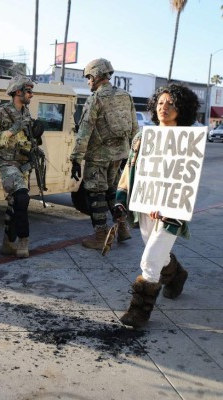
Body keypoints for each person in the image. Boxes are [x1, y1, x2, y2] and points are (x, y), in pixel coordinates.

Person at [118, 83, 199, 328]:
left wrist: (165, 205)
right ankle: (176, 274)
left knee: (150, 260)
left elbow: (186, 177)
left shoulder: (186, 140)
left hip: (171, 211)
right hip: (144, 205)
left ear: (181, 108)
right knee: (157, 253)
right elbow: (130, 170)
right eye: (161, 102)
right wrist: (121, 200)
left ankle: (139, 311)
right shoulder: (144, 137)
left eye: (171, 103)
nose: (165, 107)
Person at [70, 58, 138, 250]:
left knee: (95, 193)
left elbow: (84, 132)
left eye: (88, 77)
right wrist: (131, 156)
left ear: (96, 75)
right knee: (112, 192)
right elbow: (134, 128)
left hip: (98, 156)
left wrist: (75, 159)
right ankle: (123, 227)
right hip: (119, 155)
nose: (88, 81)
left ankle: (101, 235)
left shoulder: (96, 99)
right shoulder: (125, 96)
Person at [0, 75, 44, 258]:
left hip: (24, 164)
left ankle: (7, 244)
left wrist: (36, 138)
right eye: (29, 91)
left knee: (14, 204)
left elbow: (26, 139)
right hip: (8, 163)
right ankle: (24, 241)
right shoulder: (0, 112)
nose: (31, 95)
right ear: (18, 92)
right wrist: (12, 130)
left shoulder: (26, 113)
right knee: (22, 199)